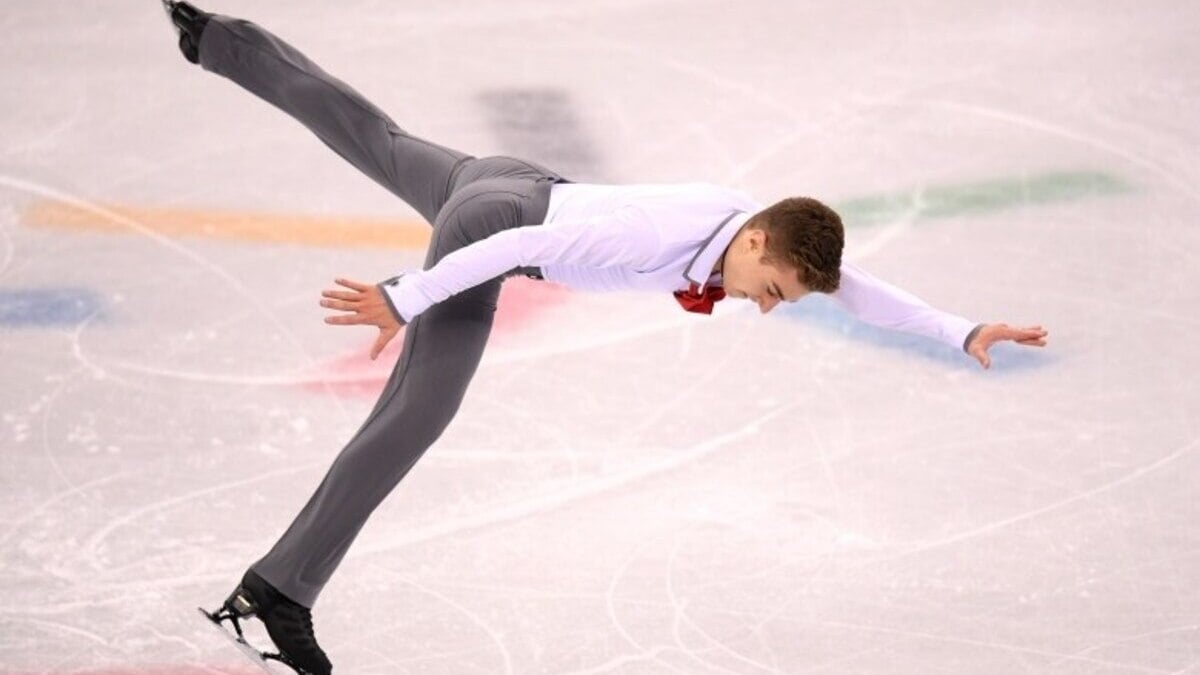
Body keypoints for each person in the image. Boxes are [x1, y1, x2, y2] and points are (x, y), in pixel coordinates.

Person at [162, 3, 1048, 673]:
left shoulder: (749, 232)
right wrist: (408, 293)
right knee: (414, 415)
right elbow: (522, 247)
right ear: (754, 244)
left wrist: (959, 327)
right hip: (502, 219)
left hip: (510, 179)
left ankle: (212, 35)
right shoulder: (657, 239)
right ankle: (277, 590)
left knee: (368, 130)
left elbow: (854, 288)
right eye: (773, 290)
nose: (770, 307)